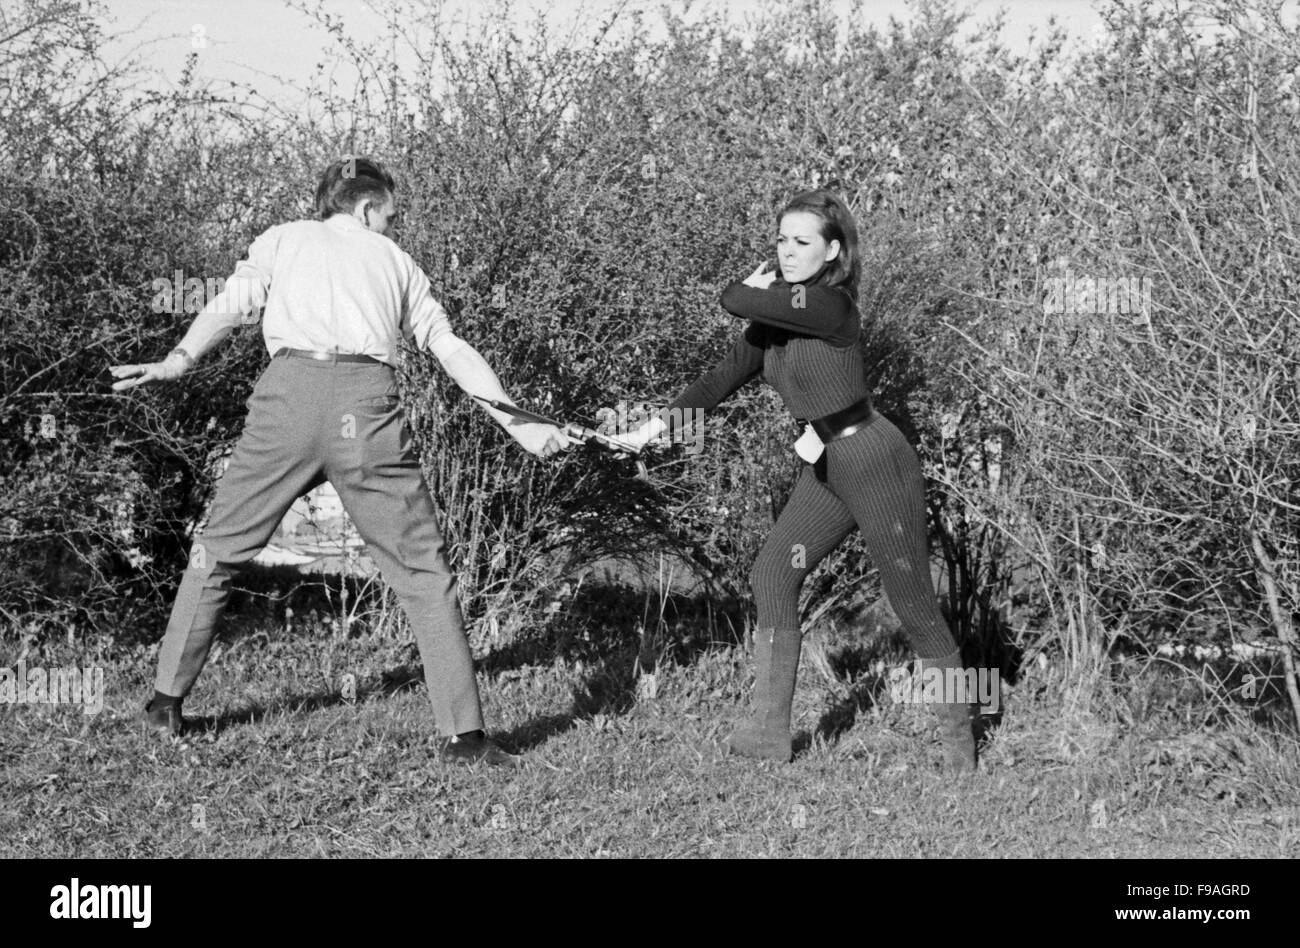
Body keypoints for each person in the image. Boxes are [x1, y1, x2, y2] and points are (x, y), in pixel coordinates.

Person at [110, 156, 569, 766]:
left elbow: (231, 304)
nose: (391, 227)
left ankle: (165, 704)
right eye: (390, 216)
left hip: (289, 401)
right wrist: (520, 422)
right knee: (423, 574)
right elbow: (448, 346)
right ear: (365, 207)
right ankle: (465, 738)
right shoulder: (397, 262)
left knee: (217, 550)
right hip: (366, 408)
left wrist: (179, 359)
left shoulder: (282, 239)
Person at [620, 190, 976, 771]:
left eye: (801, 241)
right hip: (829, 465)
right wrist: (650, 431)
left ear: (833, 251)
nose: (786, 252)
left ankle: (961, 751)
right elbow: (718, 381)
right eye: (781, 240)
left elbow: (730, 297)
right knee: (772, 574)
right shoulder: (775, 320)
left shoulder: (832, 307)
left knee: (913, 605)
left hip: (875, 460)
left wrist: (751, 291)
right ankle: (768, 735)